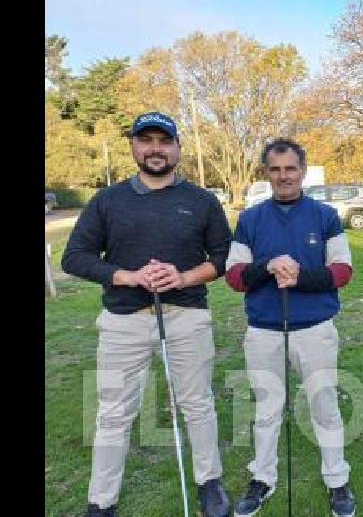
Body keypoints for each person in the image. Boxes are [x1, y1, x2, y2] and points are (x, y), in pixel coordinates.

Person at [61, 111, 233, 517]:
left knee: (197, 404)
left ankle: (209, 482)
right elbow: (75, 257)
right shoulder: (107, 201)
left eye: (164, 141)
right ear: (134, 147)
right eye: (146, 140)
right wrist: (128, 276)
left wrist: (182, 276)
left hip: (186, 312)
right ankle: (101, 501)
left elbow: (225, 257)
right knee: (113, 412)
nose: (155, 148)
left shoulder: (202, 201)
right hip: (123, 319)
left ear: (177, 148)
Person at [224, 138, 356, 517]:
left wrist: (299, 276)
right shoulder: (250, 219)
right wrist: (266, 266)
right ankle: (263, 478)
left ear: (302, 170)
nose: (283, 176)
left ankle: (337, 481)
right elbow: (234, 277)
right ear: (266, 173)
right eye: (275, 169)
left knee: (324, 406)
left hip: (314, 329)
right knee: (267, 409)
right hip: (264, 330)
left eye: (290, 168)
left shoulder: (325, 215)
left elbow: (343, 270)